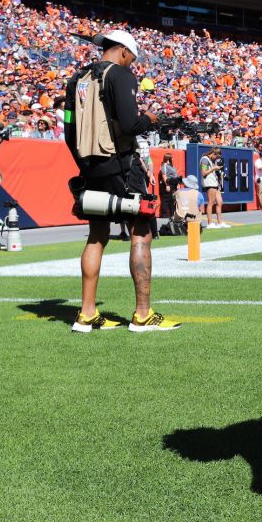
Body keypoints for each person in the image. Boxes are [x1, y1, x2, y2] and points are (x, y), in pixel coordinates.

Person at [64, 28, 180, 333]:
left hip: (89, 166)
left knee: (96, 235)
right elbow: (130, 125)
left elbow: (67, 130)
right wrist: (150, 120)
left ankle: (86, 313)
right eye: (132, 58)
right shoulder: (121, 75)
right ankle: (143, 314)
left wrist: (84, 163)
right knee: (141, 232)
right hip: (119, 164)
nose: (132, 63)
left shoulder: (76, 79)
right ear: (124, 52)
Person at [201, 148, 225, 228]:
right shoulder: (204, 159)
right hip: (209, 183)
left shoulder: (210, 160)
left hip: (214, 183)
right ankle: (210, 223)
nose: (216, 159)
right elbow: (203, 173)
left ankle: (220, 222)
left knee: (219, 202)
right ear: (214, 154)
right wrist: (214, 168)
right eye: (217, 157)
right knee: (211, 202)